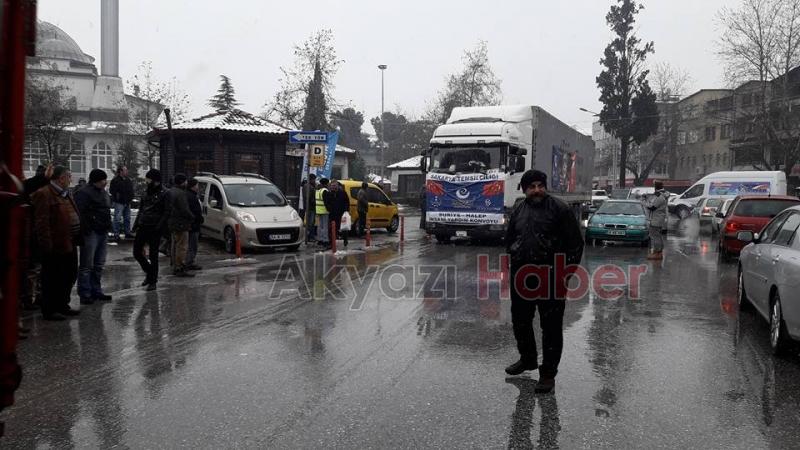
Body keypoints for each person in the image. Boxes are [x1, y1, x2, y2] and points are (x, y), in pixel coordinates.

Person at [504, 169, 584, 394]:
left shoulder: (560, 209)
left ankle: (548, 374)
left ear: (545, 186)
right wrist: (512, 258)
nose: (537, 190)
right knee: (520, 321)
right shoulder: (519, 208)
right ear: (524, 189)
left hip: (552, 278)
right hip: (522, 277)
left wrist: (565, 274)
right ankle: (527, 359)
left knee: (550, 328)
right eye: (532, 186)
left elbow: (576, 244)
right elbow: (510, 238)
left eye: (540, 185)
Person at [30, 166, 82, 321]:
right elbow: (42, 222)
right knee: (53, 277)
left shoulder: (65, 194)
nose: (70, 179)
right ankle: (50, 309)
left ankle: (62, 304)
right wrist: (47, 245)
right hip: (55, 243)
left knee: (69, 274)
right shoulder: (44, 194)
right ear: (60, 178)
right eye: (68, 176)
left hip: (69, 241)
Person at [74, 169, 113, 305]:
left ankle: (96, 290)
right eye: (103, 179)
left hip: (102, 231)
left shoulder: (103, 193)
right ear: (97, 180)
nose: (105, 182)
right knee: (87, 264)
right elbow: (80, 213)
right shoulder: (84, 193)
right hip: (92, 232)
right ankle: (85, 293)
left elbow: (106, 210)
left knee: (98, 264)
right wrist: (87, 228)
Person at [133, 169, 167, 290]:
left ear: (155, 180)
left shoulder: (164, 193)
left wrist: (160, 226)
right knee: (137, 252)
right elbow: (141, 209)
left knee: (153, 255)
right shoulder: (146, 191)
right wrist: (136, 224)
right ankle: (150, 273)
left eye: (149, 179)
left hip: (155, 227)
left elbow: (166, 212)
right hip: (143, 225)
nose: (147, 181)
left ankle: (152, 280)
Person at [165, 173, 195, 277]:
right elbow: (184, 209)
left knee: (175, 244)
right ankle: (180, 267)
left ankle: (175, 264)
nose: (187, 182)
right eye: (185, 181)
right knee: (182, 246)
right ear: (182, 182)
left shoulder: (170, 191)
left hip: (172, 222)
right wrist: (192, 217)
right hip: (181, 223)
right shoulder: (181, 193)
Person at [644, 181, 668, 260]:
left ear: (656, 187)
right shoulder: (661, 196)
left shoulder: (659, 197)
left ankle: (657, 252)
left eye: (654, 185)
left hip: (656, 219)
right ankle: (658, 252)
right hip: (658, 218)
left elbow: (652, 207)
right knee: (658, 235)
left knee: (655, 236)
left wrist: (645, 202)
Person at [109, 165, 135, 239]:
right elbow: (112, 190)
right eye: (125, 170)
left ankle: (127, 232)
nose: (126, 172)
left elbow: (131, 190)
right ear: (121, 171)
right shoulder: (115, 180)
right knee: (117, 218)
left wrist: (131, 198)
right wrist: (117, 197)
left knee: (127, 218)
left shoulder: (128, 180)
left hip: (127, 202)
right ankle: (116, 234)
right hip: (119, 202)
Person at [185, 178, 204, 271]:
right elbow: (195, 211)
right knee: (192, 245)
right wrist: (199, 219)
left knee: (191, 244)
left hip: (192, 224)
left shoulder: (190, 195)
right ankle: (189, 262)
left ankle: (188, 261)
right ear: (193, 186)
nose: (198, 187)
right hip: (193, 225)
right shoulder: (191, 196)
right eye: (197, 185)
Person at [328, 180, 351, 247]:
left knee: (343, 228)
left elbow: (347, 201)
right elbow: (327, 203)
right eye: (332, 186)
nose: (333, 187)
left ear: (337, 186)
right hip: (332, 214)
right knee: (331, 229)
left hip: (341, 214)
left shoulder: (342, 193)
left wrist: (346, 210)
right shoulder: (329, 193)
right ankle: (332, 243)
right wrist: (329, 208)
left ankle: (345, 239)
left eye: (334, 186)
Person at [315, 177, 331, 249]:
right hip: (324, 211)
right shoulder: (325, 191)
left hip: (318, 210)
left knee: (320, 226)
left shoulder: (318, 191)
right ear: (326, 184)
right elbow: (327, 202)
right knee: (325, 227)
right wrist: (329, 210)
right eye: (328, 183)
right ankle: (325, 240)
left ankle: (320, 240)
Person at [306, 173, 317, 243]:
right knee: (311, 223)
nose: (315, 181)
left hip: (308, 208)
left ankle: (309, 236)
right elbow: (311, 198)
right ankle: (311, 237)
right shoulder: (311, 187)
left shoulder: (305, 186)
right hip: (311, 208)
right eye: (314, 179)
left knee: (309, 223)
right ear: (311, 179)